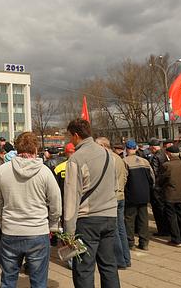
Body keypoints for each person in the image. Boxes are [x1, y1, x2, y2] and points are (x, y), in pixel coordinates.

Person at [0, 132, 61, 288]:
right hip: (37, 231)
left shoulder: (2, 171)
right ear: (36, 148)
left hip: (11, 231)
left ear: (16, 148)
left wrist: (1, 221)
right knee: (39, 282)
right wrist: (53, 224)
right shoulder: (44, 172)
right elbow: (56, 201)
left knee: (8, 280)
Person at [64, 119, 120, 288]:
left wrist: (69, 231)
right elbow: (115, 186)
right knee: (109, 266)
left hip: (87, 219)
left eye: (69, 136)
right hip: (110, 216)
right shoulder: (108, 154)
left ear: (75, 135)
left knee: (84, 268)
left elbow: (72, 197)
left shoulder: (76, 159)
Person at [97, 137, 131, 269]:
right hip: (120, 195)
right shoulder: (118, 158)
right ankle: (126, 258)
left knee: (114, 230)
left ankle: (119, 260)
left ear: (103, 145)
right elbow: (125, 176)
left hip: (113, 197)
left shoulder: (107, 158)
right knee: (121, 229)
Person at [123, 140, 155, 252]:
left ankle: (130, 242)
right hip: (144, 194)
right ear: (136, 148)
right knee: (143, 219)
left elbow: (123, 179)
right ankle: (144, 242)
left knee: (129, 219)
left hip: (131, 195)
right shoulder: (145, 161)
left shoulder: (125, 162)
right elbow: (152, 178)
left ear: (126, 149)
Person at [158, 145, 181, 247]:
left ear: (169, 154)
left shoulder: (166, 165)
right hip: (180, 194)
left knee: (172, 217)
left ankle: (176, 239)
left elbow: (161, 180)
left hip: (169, 194)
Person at [149, 138, 169, 236]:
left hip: (157, 187)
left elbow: (154, 172)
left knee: (158, 210)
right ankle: (166, 229)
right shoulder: (164, 154)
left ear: (152, 147)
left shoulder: (155, 157)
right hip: (164, 186)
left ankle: (162, 230)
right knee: (164, 209)